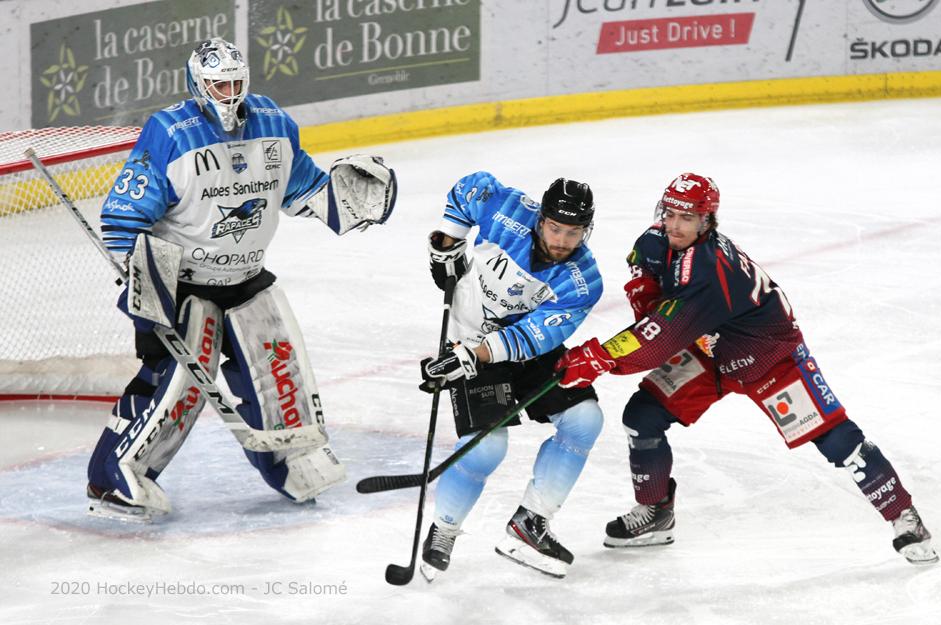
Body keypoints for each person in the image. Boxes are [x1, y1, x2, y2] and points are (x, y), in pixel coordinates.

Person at [86, 38, 396, 522]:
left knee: (279, 373)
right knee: (177, 386)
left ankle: (290, 461)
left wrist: (345, 198)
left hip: (247, 277)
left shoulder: (274, 123)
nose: (228, 94)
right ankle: (113, 477)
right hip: (183, 285)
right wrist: (142, 276)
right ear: (197, 84)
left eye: (235, 83)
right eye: (217, 84)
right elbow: (124, 215)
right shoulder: (170, 131)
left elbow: (302, 188)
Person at [557, 173, 938, 565]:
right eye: (669, 213)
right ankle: (656, 513)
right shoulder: (653, 243)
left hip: (768, 358)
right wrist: (646, 295)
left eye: (686, 218)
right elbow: (650, 292)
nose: (674, 225)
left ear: (707, 221)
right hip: (712, 351)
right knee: (643, 416)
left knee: (837, 440)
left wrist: (599, 358)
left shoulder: (709, 268)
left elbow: (660, 339)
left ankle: (903, 516)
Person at [416, 173, 605, 580]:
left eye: (573, 233)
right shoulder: (507, 211)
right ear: (540, 219)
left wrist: (474, 355)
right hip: (470, 336)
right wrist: (447, 245)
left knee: (584, 420)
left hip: (517, 350)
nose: (561, 240)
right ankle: (444, 529)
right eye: (555, 227)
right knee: (486, 448)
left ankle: (529, 524)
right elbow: (470, 188)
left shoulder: (584, 280)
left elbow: (535, 335)